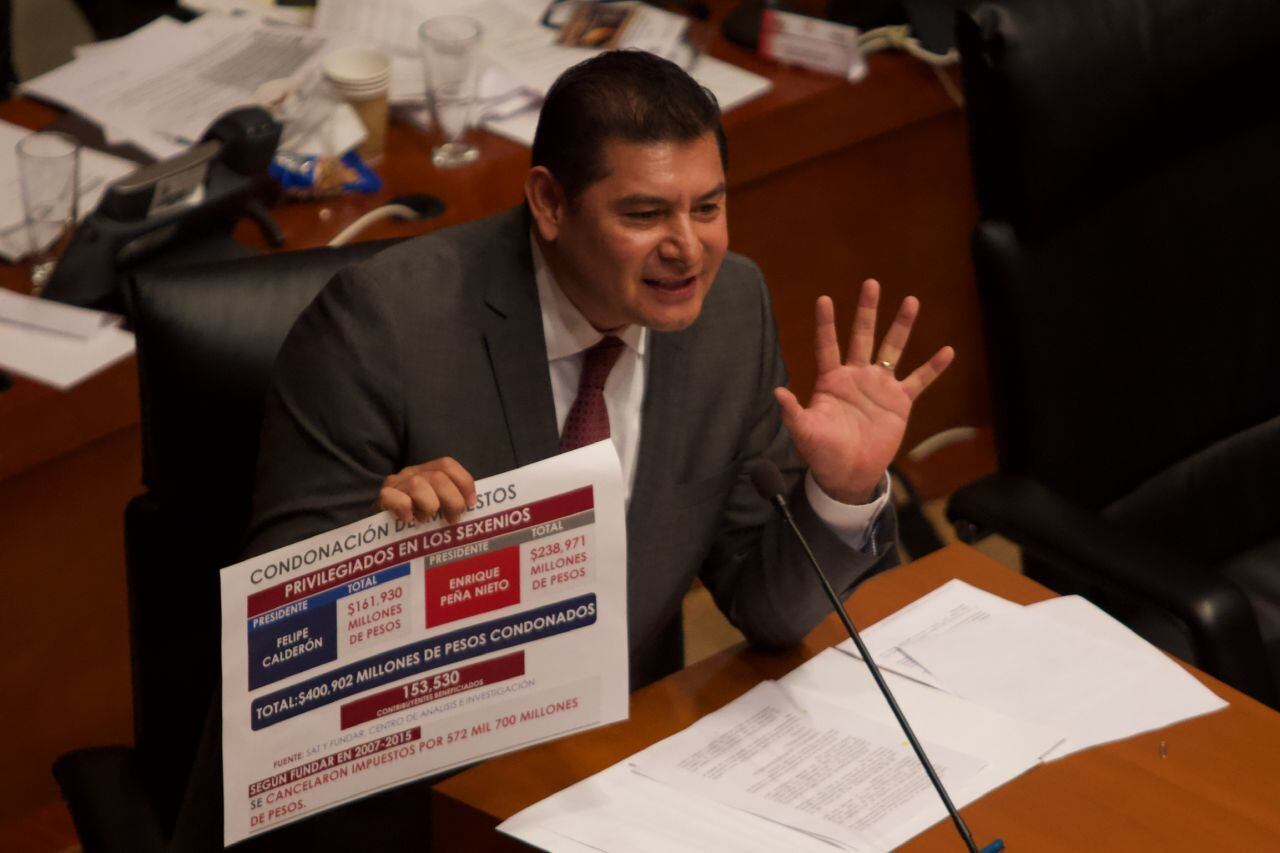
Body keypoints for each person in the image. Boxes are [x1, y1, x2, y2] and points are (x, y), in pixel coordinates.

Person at [177, 50, 952, 850]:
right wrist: (386, 548)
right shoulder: (382, 326)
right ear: (549, 202)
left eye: (709, 206)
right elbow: (282, 640)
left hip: (609, 780)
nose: (689, 248)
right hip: (399, 808)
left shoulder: (730, 313)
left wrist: (842, 490)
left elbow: (769, 607)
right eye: (645, 213)